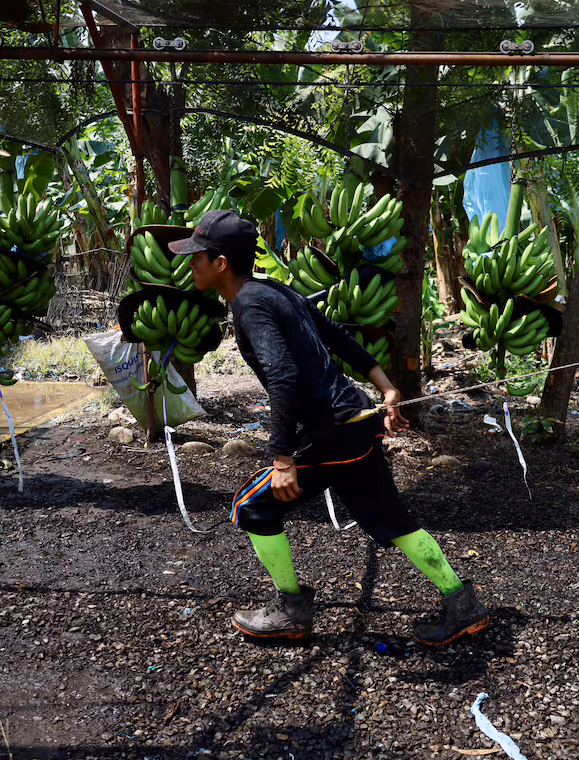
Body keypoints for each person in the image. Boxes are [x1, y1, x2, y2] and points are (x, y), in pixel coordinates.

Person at [168, 209, 488, 645]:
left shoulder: (249, 304)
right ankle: (462, 605)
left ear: (220, 262)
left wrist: (282, 458)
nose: (190, 265)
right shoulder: (274, 290)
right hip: (355, 421)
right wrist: (386, 387)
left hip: (332, 431)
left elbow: (283, 377)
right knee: (389, 519)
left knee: (254, 508)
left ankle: (291, 611)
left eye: (196, 257)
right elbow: (336, 335)